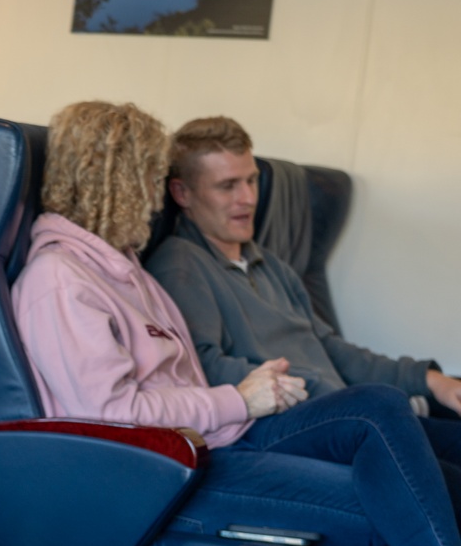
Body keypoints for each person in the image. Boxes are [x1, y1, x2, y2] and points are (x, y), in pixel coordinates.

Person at [12, 100, 461, 546]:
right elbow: (104, 413)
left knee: (383, 432)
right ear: (114, 181)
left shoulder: (118, 268)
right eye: (145, 179)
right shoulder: (59, 279)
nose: (154, 200)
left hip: (208, 447)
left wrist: (239, 407)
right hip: (154, 482)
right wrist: (239, 397)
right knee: (392, 474)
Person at [146, 114, 461, 501]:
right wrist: (328, 391)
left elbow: (330, 347)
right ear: (182, 193)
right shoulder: (181, 264)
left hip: (349, 413)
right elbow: (202, 365)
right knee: (447, 485)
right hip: (293, 422)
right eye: (227, 186)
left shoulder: (271, 264)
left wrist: (433, 382)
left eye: (251, 180)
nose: (247, 198)